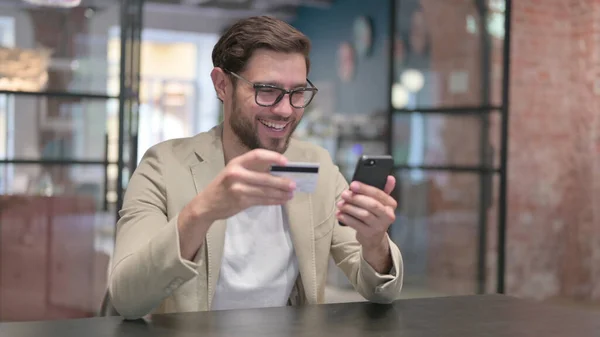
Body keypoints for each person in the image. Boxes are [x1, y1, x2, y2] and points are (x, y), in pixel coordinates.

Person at [108, 15, 404, 320]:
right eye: (267, 90)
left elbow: (381, 292)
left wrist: (374, 242)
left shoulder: (317, 166)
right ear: (222, 85)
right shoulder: (163, 167)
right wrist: (201, 212)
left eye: (297, 93)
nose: (285, 109)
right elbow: (128, 299)